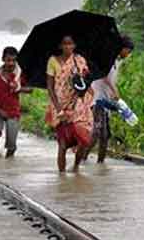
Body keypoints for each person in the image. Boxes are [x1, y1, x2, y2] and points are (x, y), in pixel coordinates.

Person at [46, 35, 93, 172]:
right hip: (60, 105)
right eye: (65, 44)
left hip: (78, 105)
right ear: (60, 46)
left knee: (84, 140)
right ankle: (62, 176)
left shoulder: (79, 61)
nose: (68, 47)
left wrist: (84, 88)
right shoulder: (52, 61)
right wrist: (58, 107)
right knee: (62, 144)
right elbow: (50, 86)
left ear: (74, 45)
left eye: (70, 44)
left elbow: (87, 81)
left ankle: (76, 167)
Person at [89, 35, 134, 163]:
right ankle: (81, 159)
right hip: (98, 99)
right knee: (98, 133)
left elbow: (112, 79)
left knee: (105, 135)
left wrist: (113, 95)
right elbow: (104, 76)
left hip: (106, 101)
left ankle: (100, 164)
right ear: (122, 48)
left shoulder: (117, 62)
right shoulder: (107, 59)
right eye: (128, 50)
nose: (129, 54)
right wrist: (115, 90)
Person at [0, 46, 30, 157]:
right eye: (8, 60)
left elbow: (30, 89)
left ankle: (7, 167)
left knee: (11, 146)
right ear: (3, 59)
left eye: (14, 60)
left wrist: (18, 87)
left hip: (13, 111)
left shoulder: (19, 74)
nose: (11, 63)